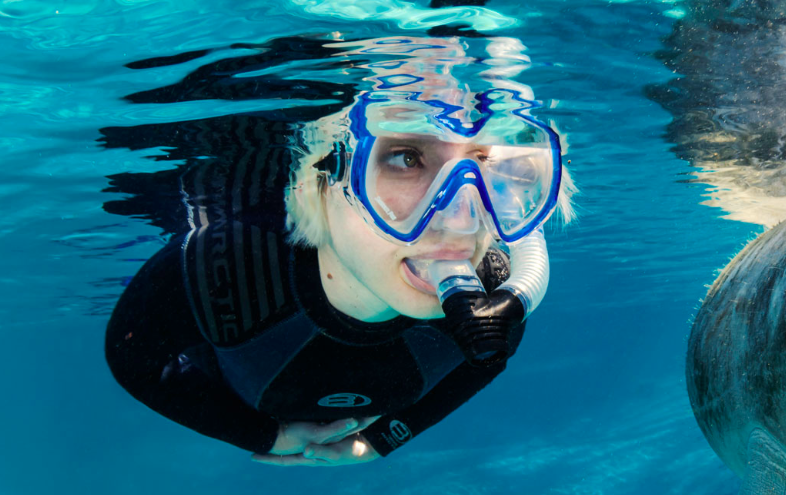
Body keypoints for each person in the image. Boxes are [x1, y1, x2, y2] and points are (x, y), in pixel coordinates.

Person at [105, 50, 573, 466]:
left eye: (489, 168)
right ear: (319, 184)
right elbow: (133, 359)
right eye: (406, 158)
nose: (461, 223)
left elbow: (487, 356)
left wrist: (383, 439)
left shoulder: (493, 291)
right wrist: (266, 434)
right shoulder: (224, 264)